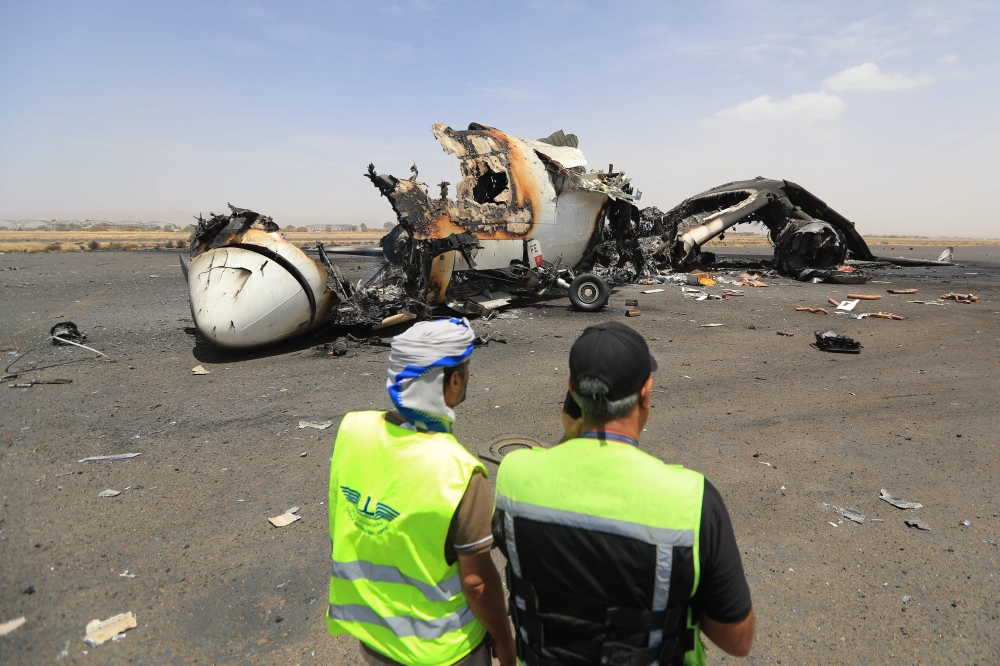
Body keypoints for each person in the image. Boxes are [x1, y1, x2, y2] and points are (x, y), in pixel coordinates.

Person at [493, 321, 754, 666]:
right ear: (646, 391)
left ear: (571, 390)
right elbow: (737, 639)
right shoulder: (691, 499)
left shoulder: (515, 475)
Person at [326, 317, 516, 666]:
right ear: (454, 380)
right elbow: (477, 583)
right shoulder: (459, 471)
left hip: (374, 638)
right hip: (443, 651)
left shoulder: (353, 429)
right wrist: (505, 641)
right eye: (467, 369)